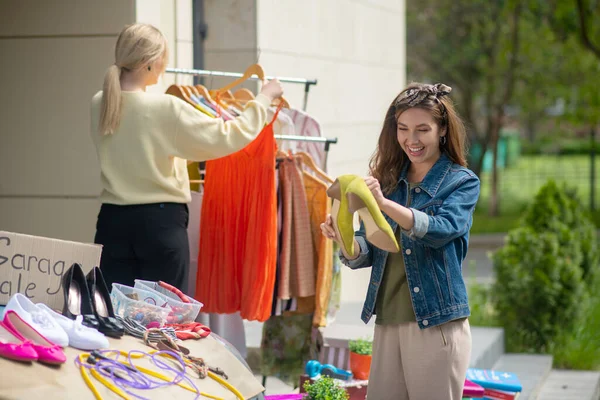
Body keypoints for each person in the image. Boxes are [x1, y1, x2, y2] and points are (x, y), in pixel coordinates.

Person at [90, 23, 283, 290]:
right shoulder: (166, 108)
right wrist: (264, 98)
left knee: (112, 319)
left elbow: (136, 151)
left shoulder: (100, 102)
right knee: (162, 323)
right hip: (160, 226)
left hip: (112, 224)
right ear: (150, 62)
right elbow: (229, 135)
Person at [321, 83, 480, 400]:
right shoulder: (390, 181)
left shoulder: (461, 182)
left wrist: (382, 203)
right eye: (403, 129)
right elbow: (369, 248)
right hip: (388, 319)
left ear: (443, 130)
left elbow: (441, 229)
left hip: (435, 324)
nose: (412, 139)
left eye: (423, 129)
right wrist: (343, 240)